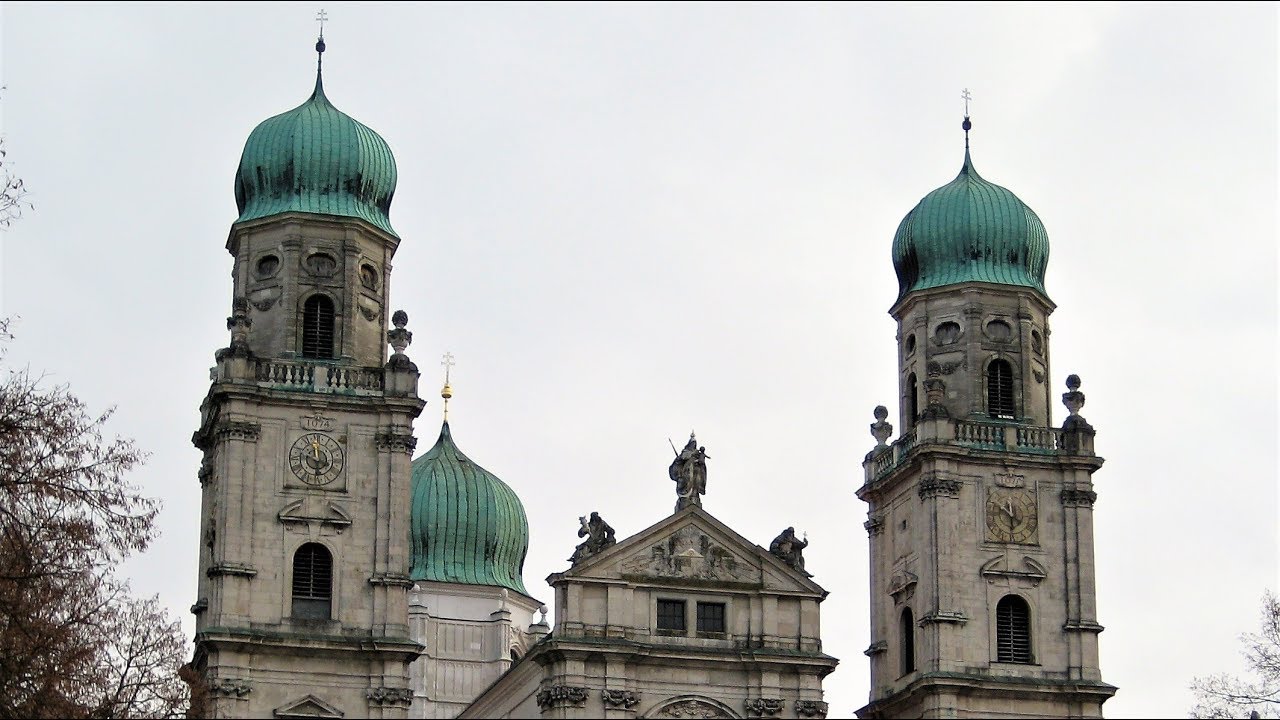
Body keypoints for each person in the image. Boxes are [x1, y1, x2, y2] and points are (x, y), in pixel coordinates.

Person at [669, 433, 709, 511]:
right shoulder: (685, 451)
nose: (694, 445)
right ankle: (686, 497)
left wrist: (701, 463)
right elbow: (681, 459)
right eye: (693, 443)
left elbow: (702, 461)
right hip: (687, 469)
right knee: (687, 481)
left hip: (696, 469)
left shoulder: (698, 453)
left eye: (695, 444)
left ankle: (694, 496)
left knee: (696, 482)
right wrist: (680, 459)